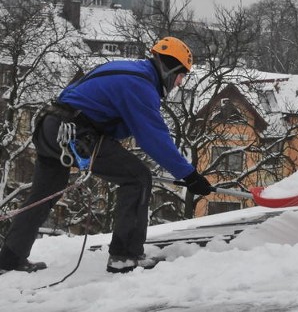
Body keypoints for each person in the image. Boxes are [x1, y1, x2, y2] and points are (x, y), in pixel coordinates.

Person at [0, 37, 213, 274]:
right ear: (169, 69)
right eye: (180, 76)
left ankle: (10, 258)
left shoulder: (124, 69)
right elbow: (154, 137)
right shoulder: (140, 85)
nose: (178, 83)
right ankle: (125, 256)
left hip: (50, 127)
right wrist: (189, 175)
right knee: (137, 178)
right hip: (76, 133)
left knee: (45, 192)